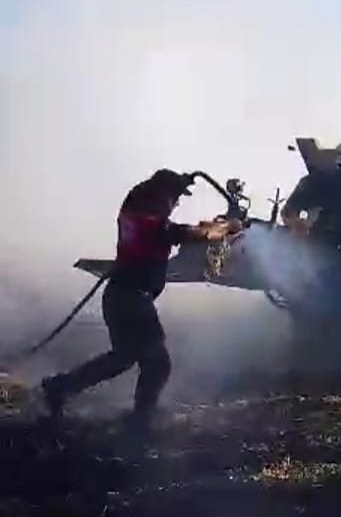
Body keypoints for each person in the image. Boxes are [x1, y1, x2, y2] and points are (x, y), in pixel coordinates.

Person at [38, 168, 243, 429]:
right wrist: (227, 226)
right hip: (131, 298)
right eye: (175, 197)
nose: (176, 203)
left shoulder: (137, 210)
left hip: (122, 296)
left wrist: (206, 215)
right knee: (158, 363)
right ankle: (141, 420)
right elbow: (188, 234)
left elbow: (180, 230)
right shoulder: (149, 220)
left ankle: (60, 386)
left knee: (123, 357)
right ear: (162, 195)